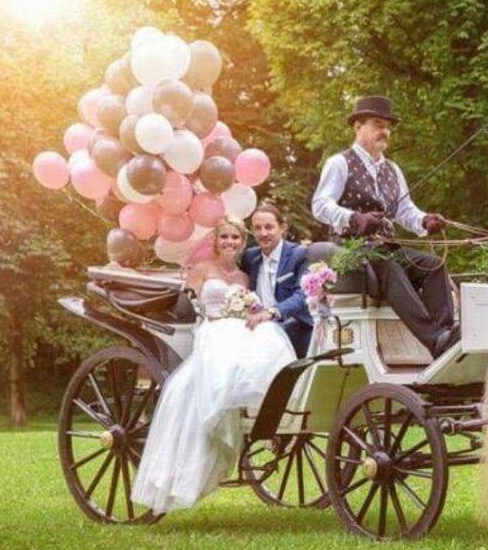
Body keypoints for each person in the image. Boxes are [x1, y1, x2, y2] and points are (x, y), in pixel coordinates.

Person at [132, 216, 296, 514]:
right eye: (225, 238)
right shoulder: (203, 269)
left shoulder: (245, 278)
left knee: (268, 342)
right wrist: (209, 317)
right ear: (216, 241)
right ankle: (220, 408)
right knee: (226, 353)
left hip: (240, 325)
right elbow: (186, 304)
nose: (230, 243)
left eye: (235, 238)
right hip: (210, 327)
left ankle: (259, 407)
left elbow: (251, 305)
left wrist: (245, 310)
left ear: (241, 242)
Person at [312, 95, 459, 357]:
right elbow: (320, 205)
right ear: (358, 127)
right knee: (389, 267)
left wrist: (425, 221)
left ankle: (446, 335)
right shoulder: (340, 163)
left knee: (433, 265)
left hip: (387, 248)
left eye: (388, 126)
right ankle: (434, 338)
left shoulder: (393, 169)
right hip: (352, 250)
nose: (385, 131)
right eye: (378, 124)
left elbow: (406, 211)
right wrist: (354, 218)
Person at [241, 202, 314, 358]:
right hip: (257, 328)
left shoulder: (300, 254)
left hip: (293, 327)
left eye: (269, 227)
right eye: (258, 228)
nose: (263, 233)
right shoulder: (249, 257)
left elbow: (303, 294)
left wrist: (273, 312)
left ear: (282, 228)